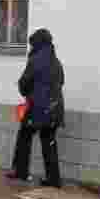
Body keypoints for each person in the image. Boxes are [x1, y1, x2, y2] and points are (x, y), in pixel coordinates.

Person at [7, 28, 65, 188]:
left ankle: (21, 171)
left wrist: (27, 93)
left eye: (32, 44)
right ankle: (53, 179)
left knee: (24, 136)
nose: (31, 47)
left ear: (37, 44)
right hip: (55, 108)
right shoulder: (56, 62)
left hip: (38, 108)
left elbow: (25, 82)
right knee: (49, 141)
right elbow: (61, 81)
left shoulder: (35, 60)